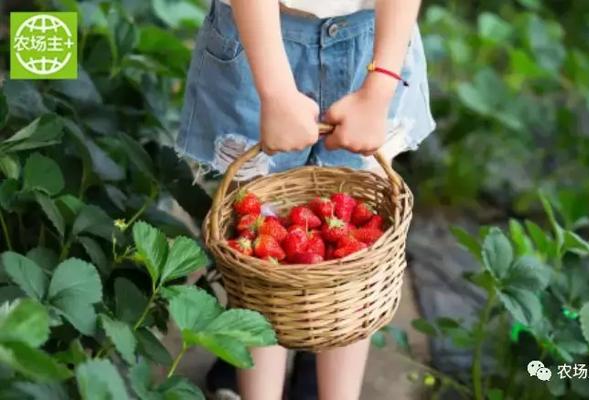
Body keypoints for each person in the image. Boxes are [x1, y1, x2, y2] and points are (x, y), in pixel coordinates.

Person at [177, 0, 435, 399]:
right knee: (259, 253)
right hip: (258, 41)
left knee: (353, 262)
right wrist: (276, 93)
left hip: (372, 42)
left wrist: (380, 88)